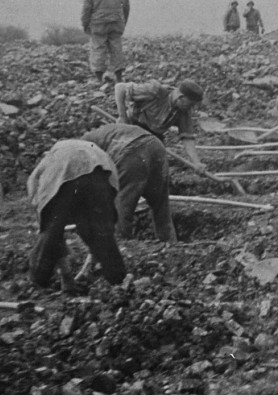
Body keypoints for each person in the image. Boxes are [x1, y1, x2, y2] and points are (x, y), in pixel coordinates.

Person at [27, 139, 126, 291]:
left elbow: (52, 231)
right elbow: (112, 197)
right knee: (101, 233)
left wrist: (66, 276)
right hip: (102, 169)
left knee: (50, 231)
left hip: (67, 171)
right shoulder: (80, 148)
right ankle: (118, 279)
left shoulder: (46, 167)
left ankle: (38, 280)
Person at [81, 123, 177, 242]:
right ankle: (170, 245)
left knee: (120, 206)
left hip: (132, 150)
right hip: (156, 146)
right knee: (161, 207)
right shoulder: (102, 134)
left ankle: (121, 246)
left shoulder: (81, 148)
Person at [113, 79, 206, 171]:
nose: (191, 108)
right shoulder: (154, 91)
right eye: (190, 104)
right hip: (132, 126)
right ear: (180, 97)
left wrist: (196, 162)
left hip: (153, 136)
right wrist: (122, 117)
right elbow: (120, 88)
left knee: (155, 168)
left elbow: (187, 138)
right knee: (125, 161)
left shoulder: (184, 111)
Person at [81, 0, 130, 84]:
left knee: (98, 48)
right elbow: (126, 6)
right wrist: (124, 21)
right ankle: (119, 78)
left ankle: (99, 80)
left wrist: (85, 23)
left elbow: (87, 6)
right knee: (116, 48)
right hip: (116, 21)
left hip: (98, 22)